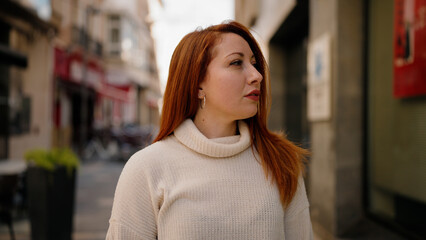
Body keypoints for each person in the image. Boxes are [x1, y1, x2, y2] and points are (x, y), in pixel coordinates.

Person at [106, 21, 313, 240]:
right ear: (197, 85)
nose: (257, 75)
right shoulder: (147, 168)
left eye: (254, 63)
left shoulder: (281, 160)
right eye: (236, 63)